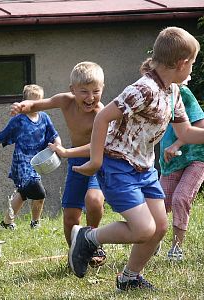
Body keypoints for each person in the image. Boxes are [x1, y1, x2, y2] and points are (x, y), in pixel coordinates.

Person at [69, 26, 204, 291]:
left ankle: (129, 278)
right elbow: (102, 116)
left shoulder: (173, 92)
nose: (192, 69)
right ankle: (88, 237)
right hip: (117, 165)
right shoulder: (144, 89)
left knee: (159, 227)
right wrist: (96, 160)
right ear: (181, 63)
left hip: (143, 168)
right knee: (143, 229)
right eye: (193, 64)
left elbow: (185, 133)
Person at [10, 62, 106, 267]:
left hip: (97, 161)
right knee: (70, 217)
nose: (90, 98)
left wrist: (65, 152)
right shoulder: (65, 101)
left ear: (102, 89)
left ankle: (94, 243)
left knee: (95, 200)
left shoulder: (101, 113)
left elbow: (98, 146)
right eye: (84, 92)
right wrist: (23, 107)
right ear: (72, 90)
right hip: (76, 163)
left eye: (95, 92)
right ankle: (77, 254)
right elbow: (38, 105)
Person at [0, 84, 62, 230]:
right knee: (39, 192)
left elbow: (54, 135)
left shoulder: (44, 118)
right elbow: (2, 135)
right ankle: (35, 223)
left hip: (37, 161)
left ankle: (6, 223)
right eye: (32, 103)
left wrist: (58, 146)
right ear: (25, 103)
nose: (35, 106)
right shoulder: (19, 120)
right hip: (22, 161)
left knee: (23, 193)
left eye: (39, 103)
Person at [159, 76, 204, 261]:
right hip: (172, 160)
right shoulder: (150, 96)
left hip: (196, 156)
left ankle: (176, 248)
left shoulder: (181, 92)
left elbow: (200, 125)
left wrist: (177, 144)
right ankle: (154, 240)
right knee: (159, 203)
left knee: (180, 198)